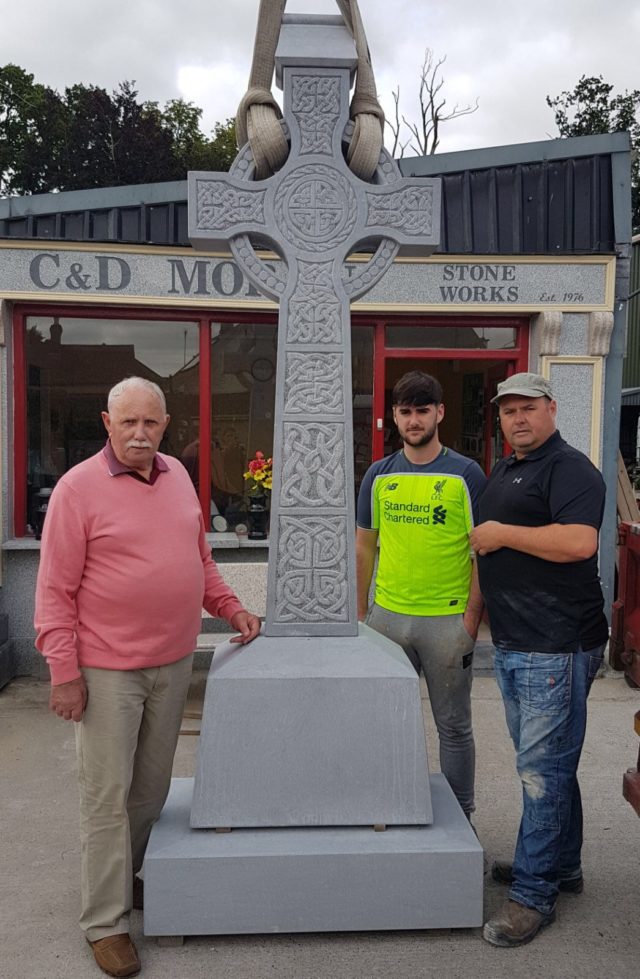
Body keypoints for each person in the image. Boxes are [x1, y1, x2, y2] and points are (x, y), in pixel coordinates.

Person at [34, 377, 261, 978]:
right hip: (106, 668)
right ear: (107, 423)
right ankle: (105, 923)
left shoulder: (179, 477)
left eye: (151, 423)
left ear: (166, 425)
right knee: (106, 796)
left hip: (173, 659)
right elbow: (53, 590)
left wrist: (231, 606)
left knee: (151, 789)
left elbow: (200, 560)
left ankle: (126, 875)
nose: (140, 433)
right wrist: (63, 673)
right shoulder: (77, 490)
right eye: (128, 422)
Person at [470, 372, 608, 948]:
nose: (518, 419)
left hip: (557, 641)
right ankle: (562, 866)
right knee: (551, 764)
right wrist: (470, 623)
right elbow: (483, 550)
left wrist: (503, 531)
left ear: (552, 408)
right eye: (508, 412)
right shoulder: (504, 470)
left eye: (528, 408)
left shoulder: (570, 468)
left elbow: (580, 542)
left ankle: (533, 896)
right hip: (514, 639)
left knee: (540, 772)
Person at [356, 371, 486, 819]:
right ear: (394, 415)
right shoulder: (378, 475)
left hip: (447, 624)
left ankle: (460, 816)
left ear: (440, 413)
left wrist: (471, 617)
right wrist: (360, 615)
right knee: (386, 725)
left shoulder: (466, 475)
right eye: (406, 412)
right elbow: (364, 544)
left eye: (423, 410)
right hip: (387, 621)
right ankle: (391, 807)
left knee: (453, 727)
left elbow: (480, 552)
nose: (414, 420)